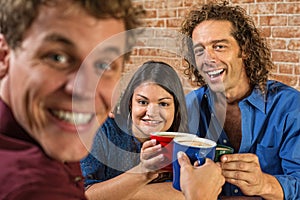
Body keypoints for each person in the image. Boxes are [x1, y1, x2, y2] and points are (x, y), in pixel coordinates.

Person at [0, 0, 144, 199]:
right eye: (57, 57)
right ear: (3, 56)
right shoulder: (37, 189)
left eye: (103, 65)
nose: (84, 91)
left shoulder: (44, 137)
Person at [180, 1, 300, 199]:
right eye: (199, 50)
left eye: (219, 46)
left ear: (244, 49)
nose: (207, 59)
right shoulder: (189, 106)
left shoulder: (289, 107)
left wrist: (265, 184)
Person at [81, 61, 189, 200]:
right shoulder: (103, 131)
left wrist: (118, 194)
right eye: (143, 102)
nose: (151, 112)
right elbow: (82, 194)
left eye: (163, 104)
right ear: (130, 103)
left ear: (176, 108)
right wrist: (143, 172)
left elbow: (187, 191)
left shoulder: (184, 141)